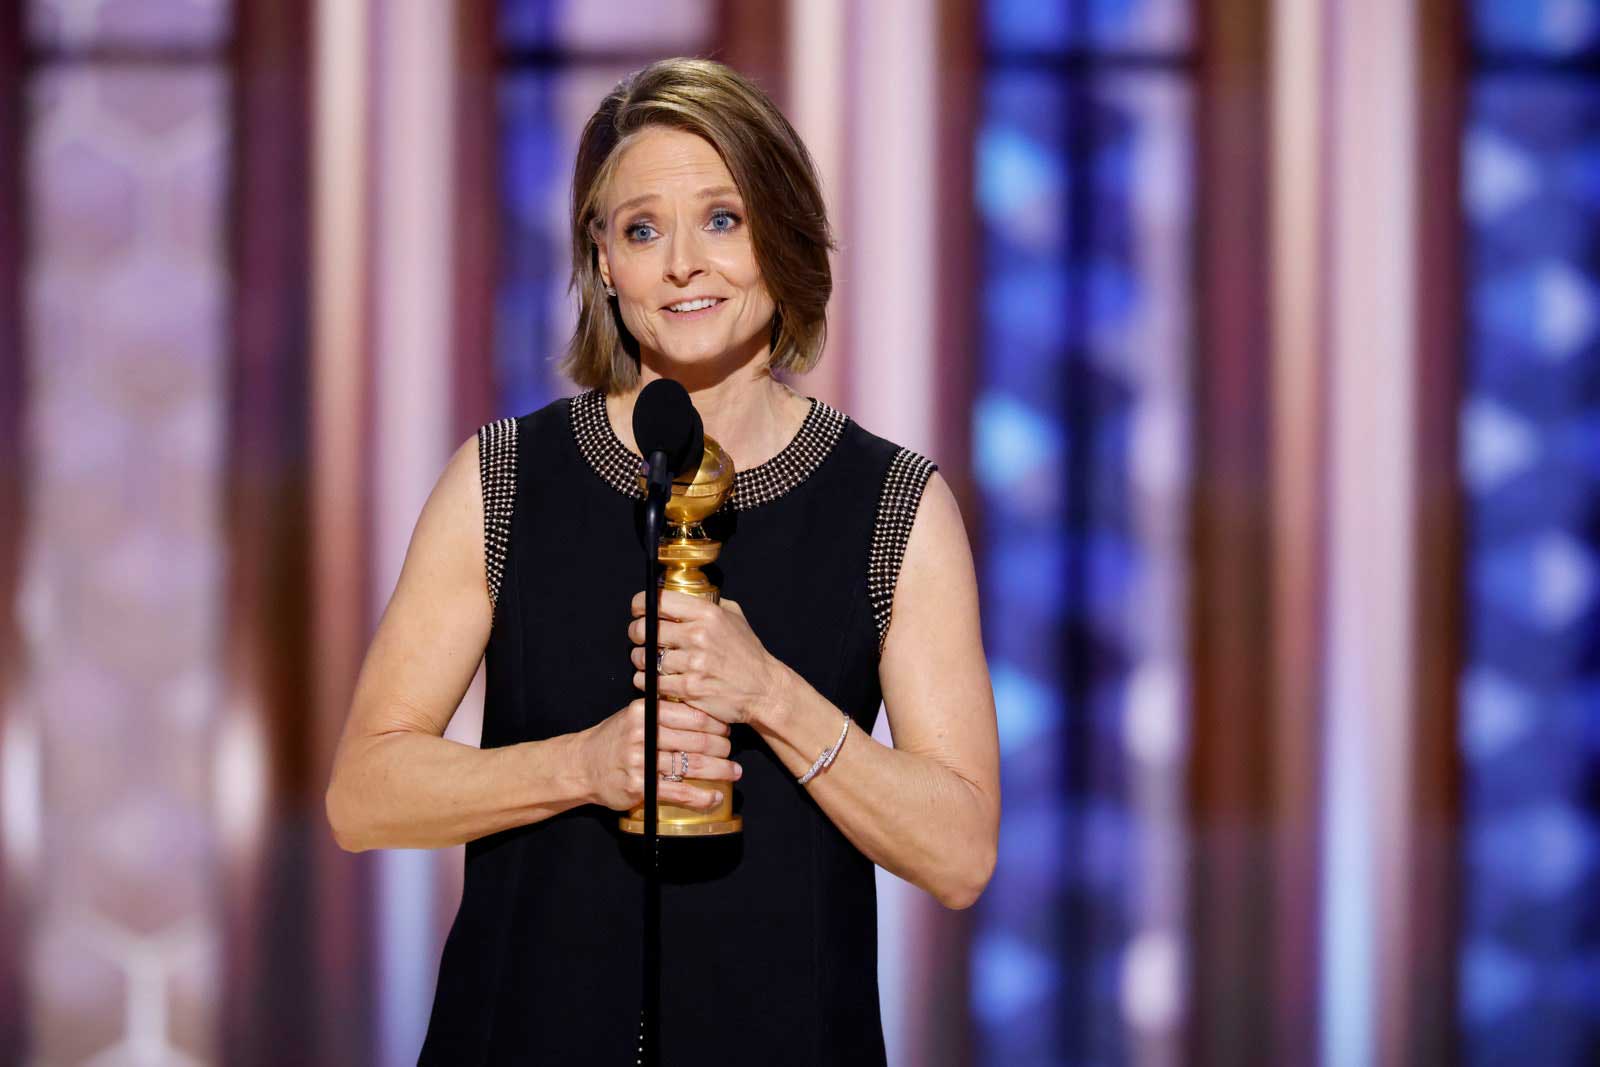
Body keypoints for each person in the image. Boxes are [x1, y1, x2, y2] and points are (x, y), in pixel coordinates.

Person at [324, 56, 999, 1065]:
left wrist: (770, 690)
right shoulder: (504, 477)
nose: (684, 263)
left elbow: (958, 851)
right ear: (603, 263)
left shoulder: (895, 505)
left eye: (722, 219)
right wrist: (585, 765)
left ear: (779, 231)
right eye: (642, 229)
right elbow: (364, 794)